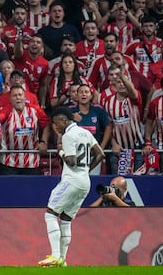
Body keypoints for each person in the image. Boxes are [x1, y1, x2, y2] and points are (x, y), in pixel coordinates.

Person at [38, 106, 105, 267]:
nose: (55, 128)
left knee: (50, 214)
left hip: (71, 180)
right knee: (66, 220)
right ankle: (62, 260)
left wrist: (60, 151)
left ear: (63, 120)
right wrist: (86, 170)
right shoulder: (86, 132)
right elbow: (101, 154)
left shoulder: (68, 136)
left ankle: (55, 256)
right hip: (84, 181)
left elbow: (72, 161)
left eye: (55, 124)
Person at [0, 85, 50, 175]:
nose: (18, 97)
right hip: (9, 161)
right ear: (10, 99)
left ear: (25, 97)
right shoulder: (6, 110)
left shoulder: (35, 110)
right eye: (14, 95)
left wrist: (44, 142)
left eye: (20, 95)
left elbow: (46, 124)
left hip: (31, 161)